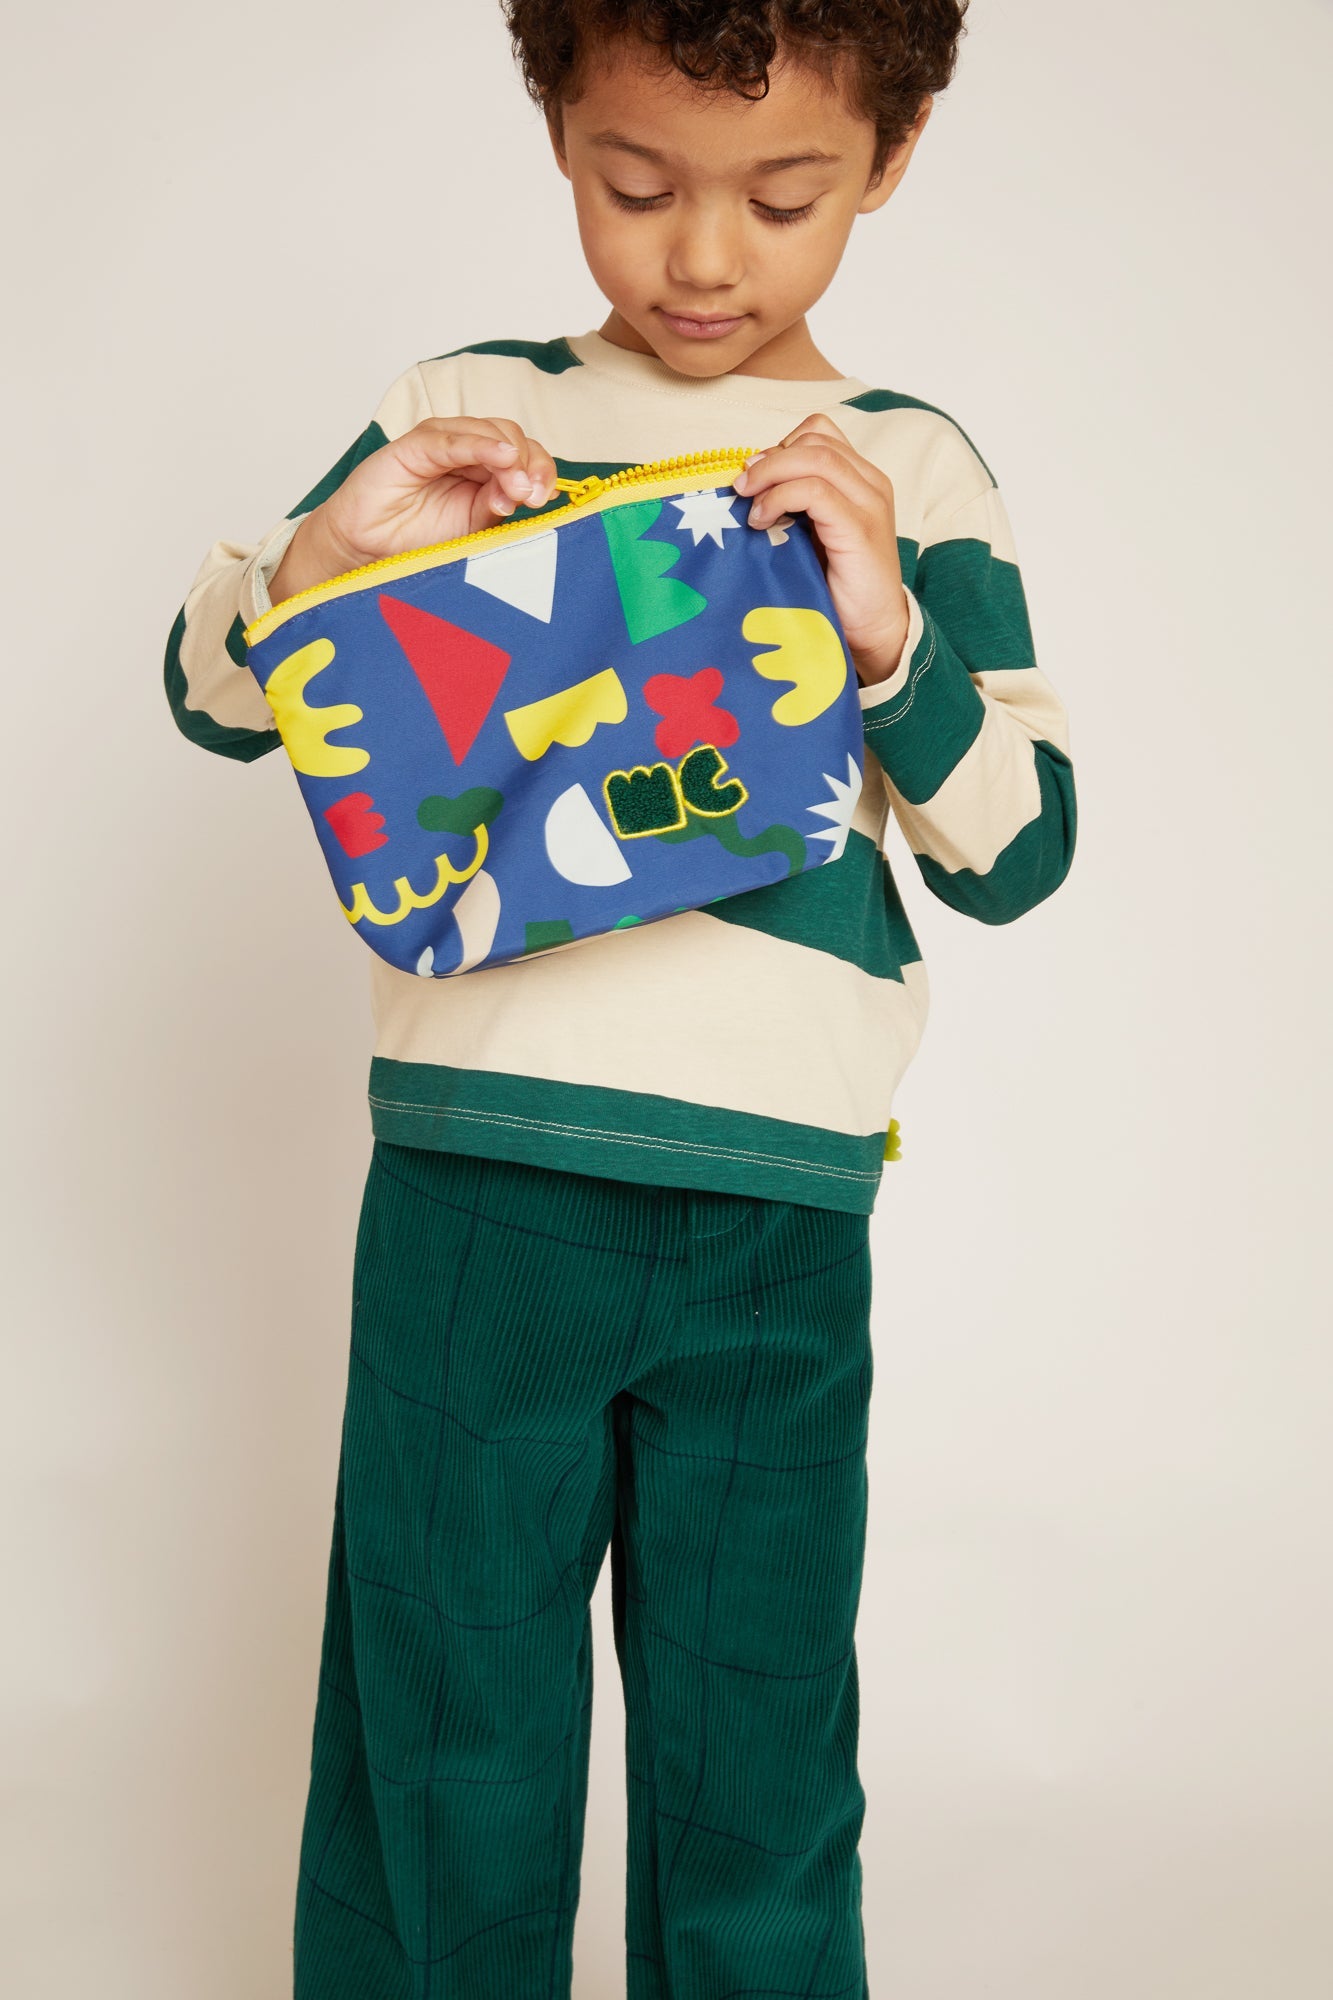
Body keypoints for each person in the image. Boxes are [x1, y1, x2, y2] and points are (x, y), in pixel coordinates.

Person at [165, 3, 1076, 1993]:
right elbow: (220, 698)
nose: (700, 257)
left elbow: (1019, 848)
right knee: (447, 1735)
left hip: (776, 1211)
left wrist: (890, 630)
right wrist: (329, 557)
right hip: (479, 1186)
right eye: (632, 183)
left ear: (892, 160)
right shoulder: (460, 398)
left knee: (754, 1765)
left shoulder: (905, 465)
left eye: (783, 195)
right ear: (560, 136)